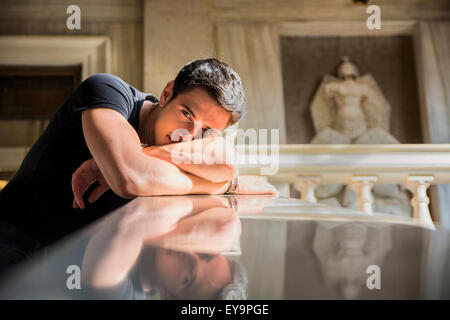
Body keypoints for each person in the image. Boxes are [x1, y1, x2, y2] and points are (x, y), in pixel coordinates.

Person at [0, 58, 277, 269]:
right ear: (167, 93)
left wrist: (147, 155)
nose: (188, 136)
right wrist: (218, 186)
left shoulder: (189, 143)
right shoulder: (108, 92)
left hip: (68, 261)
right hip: (12, 239)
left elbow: (229, 163)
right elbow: (130, 179)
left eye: (206, 132)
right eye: (186, 113)